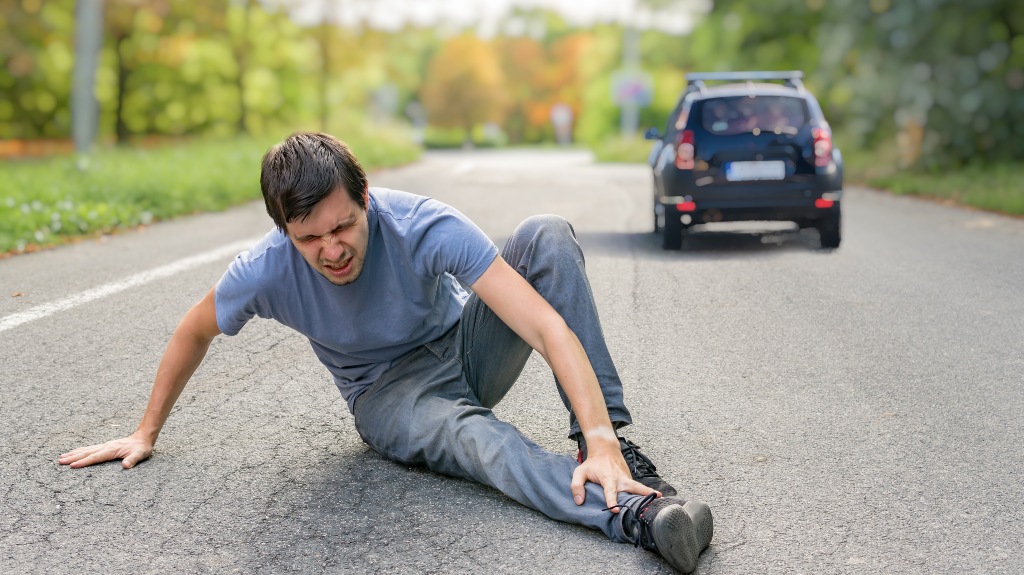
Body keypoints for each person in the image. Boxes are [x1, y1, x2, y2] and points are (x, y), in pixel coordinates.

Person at [59, 132, 714, 573]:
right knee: (483, 443)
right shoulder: (263, 270)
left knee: (544, 234)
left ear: (366, 197)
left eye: (343, 224)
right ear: (284, 231)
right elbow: (193, 329)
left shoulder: (424, 224)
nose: (332, 248)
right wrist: (145, 430)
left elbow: (543, 325)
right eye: (310, 237)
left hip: (464, 349)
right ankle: (639, 513)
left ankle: (613, 455)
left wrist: (597, 434)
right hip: (390, 395)